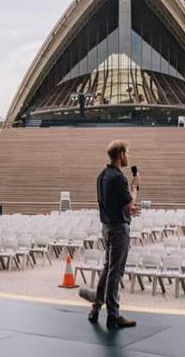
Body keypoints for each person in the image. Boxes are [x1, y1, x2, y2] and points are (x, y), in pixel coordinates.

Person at [79, 140, 140, 329]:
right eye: (127, 153)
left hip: (106, 227)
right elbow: (131, 201)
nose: (128, 157)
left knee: (108, 269)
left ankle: (96, 308)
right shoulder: (119, 178)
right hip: (119, 229)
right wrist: (135, 186)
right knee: (115, 272)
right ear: (121, 154)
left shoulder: (101, 176)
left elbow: (108, 203)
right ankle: (113, 315)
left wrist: (124, 210)